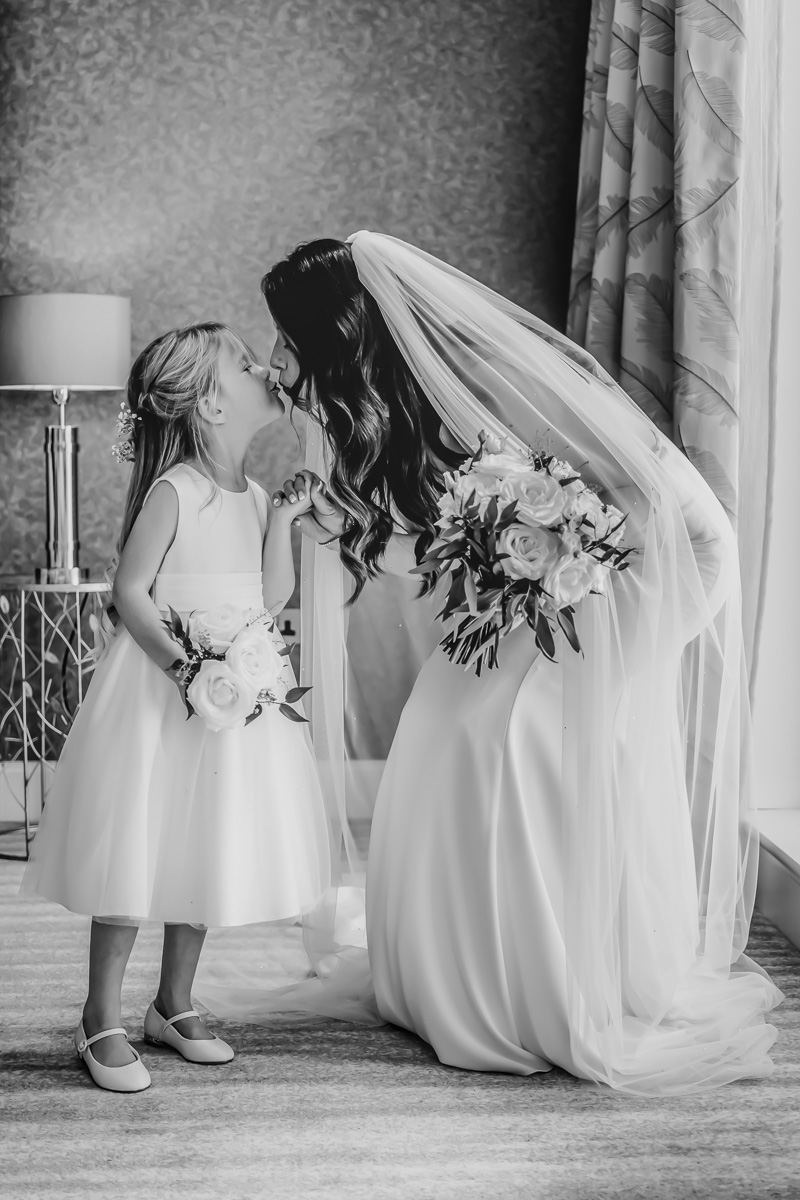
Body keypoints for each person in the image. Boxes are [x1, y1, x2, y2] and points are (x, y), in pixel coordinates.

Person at [261, 232, 782, 1096]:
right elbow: (437, 545)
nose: (281, 353)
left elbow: (634, 486)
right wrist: (336, 520)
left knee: (504, 728)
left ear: (337, 333)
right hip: (554, 567)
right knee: (445, 715)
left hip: (662, 555)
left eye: (289, 336)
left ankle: (542, 984)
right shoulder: (397, 398)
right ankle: (456, 972)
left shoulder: (484, 376)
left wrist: (555, 566)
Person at [23, 322, 332, 1092]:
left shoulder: (256, 495)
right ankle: (101, 1015)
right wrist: (185, 668)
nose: (264, 364)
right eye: (242, 361)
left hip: (235, 699)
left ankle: (173, 1002)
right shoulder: (178, 490)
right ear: (210, 406)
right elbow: (131, 591)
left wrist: (287, 522)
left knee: (204, 842)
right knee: (139, 842)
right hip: (163, 694)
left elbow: (268, 598)